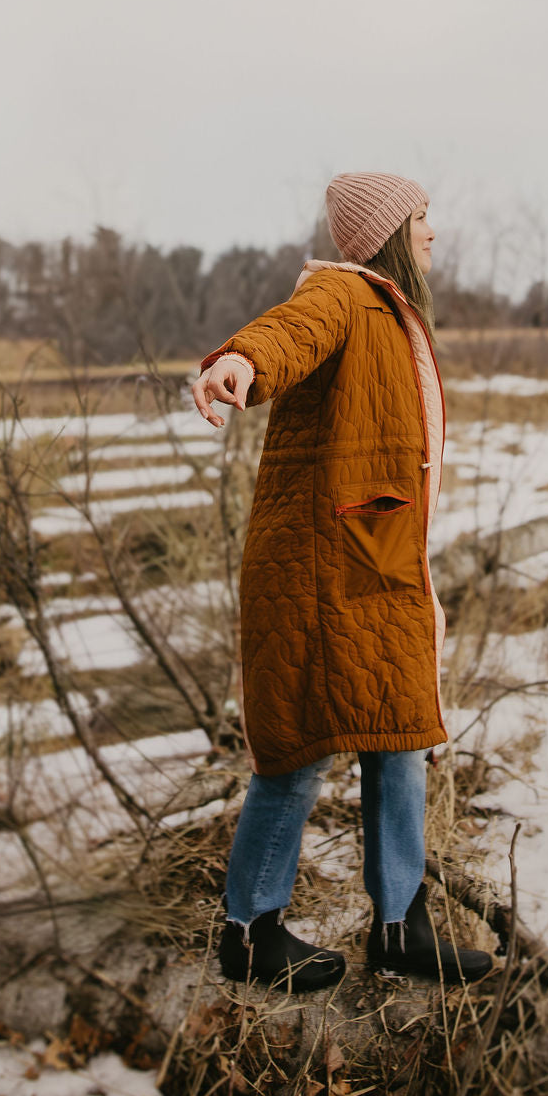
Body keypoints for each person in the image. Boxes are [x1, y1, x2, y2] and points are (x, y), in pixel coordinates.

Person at [191, 172, 492, 991]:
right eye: (423, 216)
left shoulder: (390, 308)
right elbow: (287, 332)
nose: (434, 228)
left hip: (375, 552)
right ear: (392, 231)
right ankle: (250, 931)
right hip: (329, 563)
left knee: (398, 735)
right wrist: (241, 364)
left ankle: (400, 923)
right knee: (297, 746)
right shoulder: (344, 296)